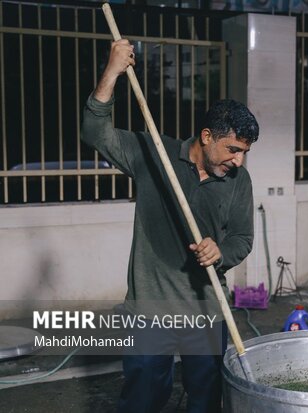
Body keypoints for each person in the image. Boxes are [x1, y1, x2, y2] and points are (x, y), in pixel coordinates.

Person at [81, 39, 259, 412]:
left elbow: (242, 238)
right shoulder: (154, 154)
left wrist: (220, 252)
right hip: (149, 309)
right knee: (143, 400)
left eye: (244, 152)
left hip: (207, 310)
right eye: (233, 149)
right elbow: (94, 132)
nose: (239, 161)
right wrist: (113, 70)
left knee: (206, 402)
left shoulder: (238, 181)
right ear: (207, 137)